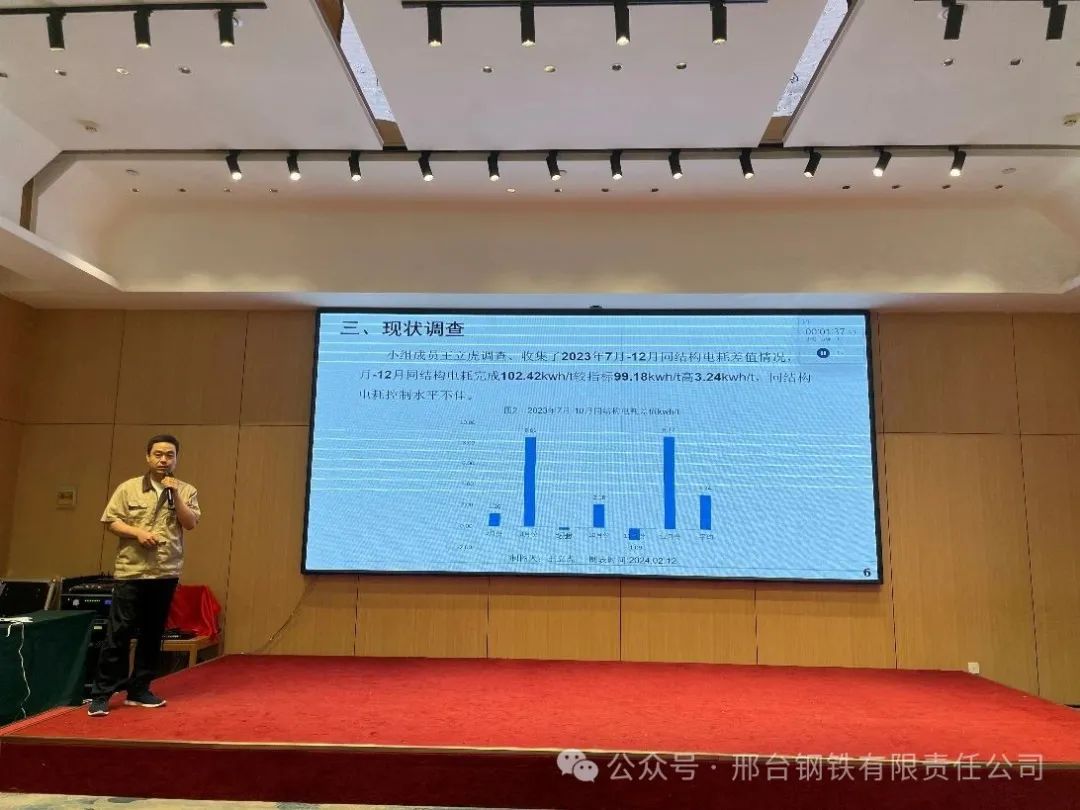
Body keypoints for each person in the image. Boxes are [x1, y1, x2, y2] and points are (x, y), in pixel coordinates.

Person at [87, 435, 201, 717]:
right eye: (158, 454)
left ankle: (139, 690)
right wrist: (137, 533)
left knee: (152, 633)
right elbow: (110, 520)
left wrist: (175, 495)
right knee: (119, 632)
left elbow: (190, 523)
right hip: (132, 570)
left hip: (165, 572)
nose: (164, 460)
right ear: (148, 457)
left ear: (177, 459)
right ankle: (101, 694)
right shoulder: (129, 488)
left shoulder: (186, 490)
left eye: (170, 455)